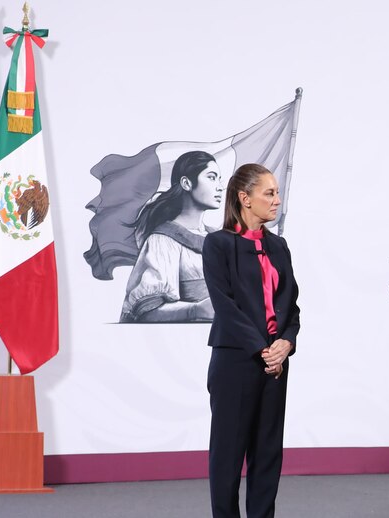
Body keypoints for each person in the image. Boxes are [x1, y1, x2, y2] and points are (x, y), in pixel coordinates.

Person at [203, 164, 301, 518]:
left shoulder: (279, 246)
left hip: (276, 364)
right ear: (245, 199)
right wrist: (264, 350)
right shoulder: (217, 245)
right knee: (227, 457)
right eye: (269, 193)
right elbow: (226, 307)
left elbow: (292, 307)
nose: (277, 200)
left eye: (276, 192)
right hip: (236, 363)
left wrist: (285, 344)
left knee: (267, 455)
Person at [120, 150, 224, 322]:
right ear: (186, 183)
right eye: (212, 177)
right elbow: (146, 311)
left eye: (219, 179)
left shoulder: (221, 239)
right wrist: (196, 310)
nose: (220, 186)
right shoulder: (162, 241)